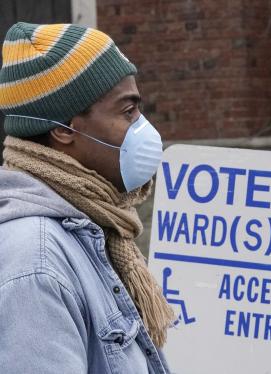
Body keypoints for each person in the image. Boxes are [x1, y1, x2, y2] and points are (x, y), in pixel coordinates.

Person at [0, 22, 175, 373]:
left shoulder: (94, 226)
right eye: (128, 111)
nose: (144, 127)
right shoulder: (37, 263)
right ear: (63, 129)